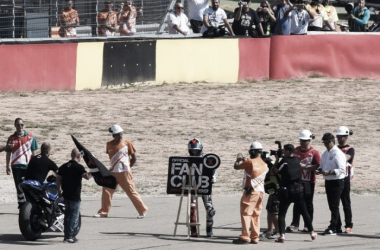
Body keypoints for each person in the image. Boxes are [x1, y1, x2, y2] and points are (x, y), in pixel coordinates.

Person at [94, 124, 148, 218]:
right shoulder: (109, 144)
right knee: (106, 190)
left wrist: (128, 167)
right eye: (118, 134)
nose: (120, 136)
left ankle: (142, 210)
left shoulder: (127, 143)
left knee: (131, 191)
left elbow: (134, 158)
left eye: (121, 134)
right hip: (112, 172)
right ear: (113, 135)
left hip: (125, 173)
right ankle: (104, 212)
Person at [272, 144, 317, 243]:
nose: (283, 152)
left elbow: (274, 171)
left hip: (287, 190)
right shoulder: (297, 160)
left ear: (288, 151)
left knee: (282, 213)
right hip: (299, 190)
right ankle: (312, 232)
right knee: (304, 212)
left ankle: (282, 235)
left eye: (284, 150)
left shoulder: (284, 162)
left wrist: (276, 160)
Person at [232, 141, 268, 244]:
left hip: (251, 191)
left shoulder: (249, 162)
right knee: (256, 214)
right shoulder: (264, 163)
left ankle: (245, 236)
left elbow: (237, 166)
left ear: (252, 151)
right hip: (260, 191)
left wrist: (238, 159)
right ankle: (255, 237)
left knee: (246, 213)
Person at [286, 130, 321, 232]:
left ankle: (307, 225)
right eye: (301, 140)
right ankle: (295, 224)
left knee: (308, 203)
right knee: (297, 202)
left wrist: (305, 167)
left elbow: (318, 166)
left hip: (309, 181)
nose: (302, 142)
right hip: (297, 181)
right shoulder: (296, 151)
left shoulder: (314, 152)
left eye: (305, 141)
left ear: (309, 140)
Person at [56, 148, 92, 243]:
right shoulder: (78, 167)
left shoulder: (63, 166)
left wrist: (59, 191)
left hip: (65, 195)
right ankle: (69, 237)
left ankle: (66, 236)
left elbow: (58, 179)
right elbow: (87, 177)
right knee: (73, 216)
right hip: (75, 196)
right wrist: (94, 172)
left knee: (67, 215)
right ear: (78, 156)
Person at [316, 133, 346, 235]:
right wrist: (319, 170)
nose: (325, 144)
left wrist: (329, 172)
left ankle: (333, 227)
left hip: (337, 181)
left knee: (334, 205)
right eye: (324, 142)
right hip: (328, 181)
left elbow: (342, 169)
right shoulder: (325, 153)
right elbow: (322, 165)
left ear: (332, 142)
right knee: (332, 205)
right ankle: (338, 226)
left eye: (326, 142)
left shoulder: (338, 153)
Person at [5, 118, 38, 208]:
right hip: (16, 166)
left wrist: (34, 165)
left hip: (27, 166)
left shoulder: (30, 137)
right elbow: (8, 153)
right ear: (15, 126)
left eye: (21, 125)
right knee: (18, 186)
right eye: (18, 125)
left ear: (23, 125)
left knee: (29, 186)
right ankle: (21, 204)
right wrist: (7, 166)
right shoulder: (11, 138)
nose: (20, 126)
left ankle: (29, 204)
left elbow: (34, 153)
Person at [188, 138, 218, 237]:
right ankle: (193, 229)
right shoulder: (187, 160)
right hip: (192, 186)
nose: (194, 152)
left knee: (210, 209)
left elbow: (213, 170)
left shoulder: (207, 159)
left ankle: (209, 230)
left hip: (205, 186)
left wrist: (213, 177)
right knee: (192, 208)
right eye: (193, 150)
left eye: (196, 150)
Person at [335, 126, 355, 234]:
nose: (339, 138)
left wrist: (335, 153)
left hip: (345, 179)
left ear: (346, 137)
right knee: (335, 204)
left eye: (342, 136)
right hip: (335, 178)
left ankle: (349, 224)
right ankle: (337, 225)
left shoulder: (350, 149)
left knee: (346, 202)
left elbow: (346, 157)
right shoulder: (335, 149)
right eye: (338, 136)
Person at [262, 154, 280, 239]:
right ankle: (270, 230)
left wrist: (276, 160)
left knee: (274, 212)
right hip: (272, 192)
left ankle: (278, 232)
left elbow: (273, 171)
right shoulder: (269, 164)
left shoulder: (271, 165)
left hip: (277, 192)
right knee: (269, 211)